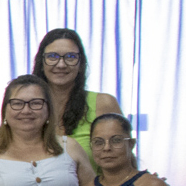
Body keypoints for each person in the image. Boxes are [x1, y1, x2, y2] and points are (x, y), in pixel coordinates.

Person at [32, 28, 121, 162]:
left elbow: (124, 161)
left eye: (71, 57)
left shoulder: (104, 103)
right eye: (52, 56)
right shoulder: (25, 108)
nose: (61, 64)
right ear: (41, 63)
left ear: (81, 64)